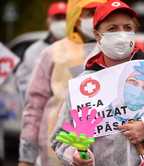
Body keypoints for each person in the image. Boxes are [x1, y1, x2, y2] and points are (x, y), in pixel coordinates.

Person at [51, 1, 144, 165]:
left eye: (127, 27)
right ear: (97, 35)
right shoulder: (84, 84)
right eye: (112, 28)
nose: (121, 34)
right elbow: (61, 137)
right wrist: (75, 156)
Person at [18, 0, 106, 166]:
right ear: (75, 15)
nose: (94, 18)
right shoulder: (52, 53)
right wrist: (26, 157)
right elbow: (34, 107)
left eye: (98, 12)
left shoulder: (113, 53)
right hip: (57, 148)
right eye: (88, 13)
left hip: (103, 149)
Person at [15, 1, 67, 101]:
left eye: (64, 18)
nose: (61, 22)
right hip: (44, 110)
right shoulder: (33, 51)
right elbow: (23, 84)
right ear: (48, 21)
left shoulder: (78, 48)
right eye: (57, 18)